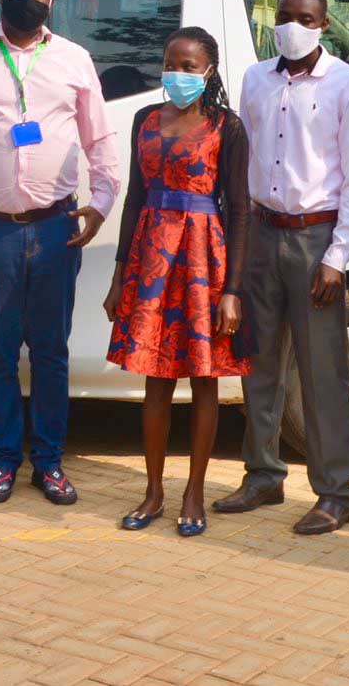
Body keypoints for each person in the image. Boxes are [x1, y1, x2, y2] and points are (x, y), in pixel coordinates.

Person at [0, 0, 119, 505]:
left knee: (50, 351)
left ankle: (48, 462)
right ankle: (1, 461)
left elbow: (100, 141)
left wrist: (101, 204)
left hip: (54, 229)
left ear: (52, 1)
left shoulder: (73, 59)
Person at [213, 0, 349, 535]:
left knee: (322, 370)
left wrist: (338, 256)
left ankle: (336, 490)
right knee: (258, 363)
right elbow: (247, 158)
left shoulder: (348, 84)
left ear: (324, 25)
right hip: (261, 230)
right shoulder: (256, 78)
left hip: (314, 237)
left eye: (305, 17)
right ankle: (262, 473)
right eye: (285, 16)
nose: (293, 25)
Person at [103, 27, 250, 537]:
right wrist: (120, 274)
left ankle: (194, 492)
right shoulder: (145, 120)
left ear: (208, 70)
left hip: (203, 260)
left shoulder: (225, 126)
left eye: (189, 66)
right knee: (156, 379)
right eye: (171, 63)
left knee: (205, 380)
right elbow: (134, 199)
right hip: (151, 260)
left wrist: (233, 289)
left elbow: (241, 211)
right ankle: (154, 491)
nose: (178, 74)